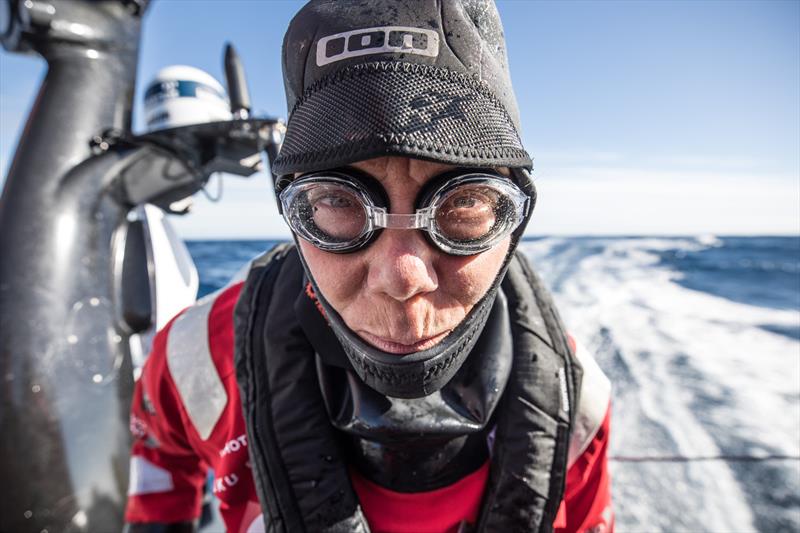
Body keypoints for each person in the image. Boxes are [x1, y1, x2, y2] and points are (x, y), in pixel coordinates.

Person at [125, 1, 613, 532]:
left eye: (465, 203)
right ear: (295, 212)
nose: (401, 278)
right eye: (338, 201)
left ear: (514, 217)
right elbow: (160, 462)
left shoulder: (577, 405)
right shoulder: (192, 359)